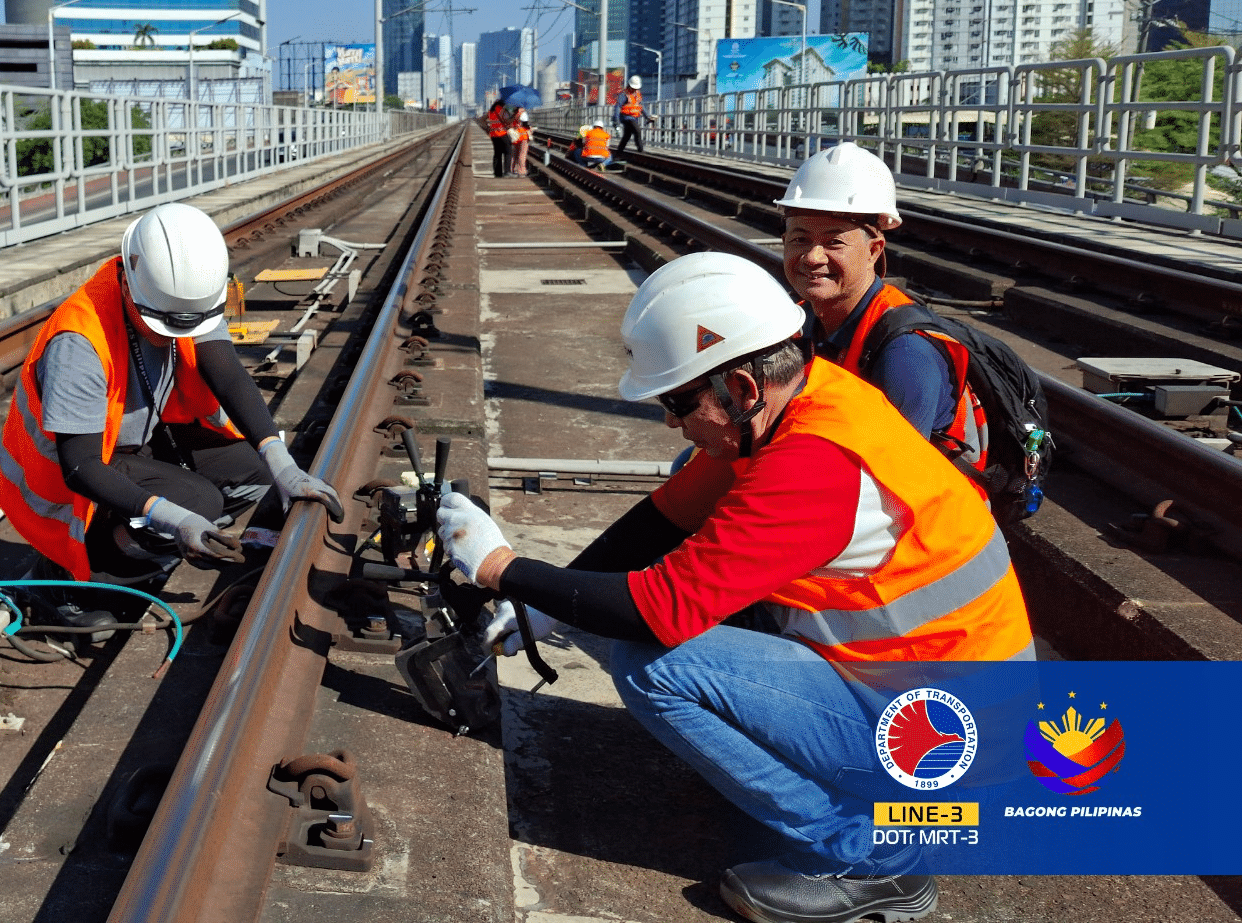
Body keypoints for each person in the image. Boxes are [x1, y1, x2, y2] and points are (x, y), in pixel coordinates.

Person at [438, 252, 1032, 923]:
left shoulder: (813, 467)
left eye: (676, 401)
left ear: (742, 389)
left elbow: (659, 611)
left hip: (950, 743)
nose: (670, 420)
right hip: (914, 692)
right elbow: (658, 523)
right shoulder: (804, 402)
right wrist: (549, 603)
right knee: (609, 613)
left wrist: (502, 570)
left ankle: (869, 860)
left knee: (652, 661)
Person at [0, 203, 345, 595]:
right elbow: (81, 467)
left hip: (135, 440)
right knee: (199, 504)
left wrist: (283, 464)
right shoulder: (78, 343)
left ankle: (139, 542)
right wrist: (176, 520)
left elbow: (226, 375)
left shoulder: (181, 295)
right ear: (128, 285)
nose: (176, 336)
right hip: (71, 475)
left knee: (256, 473)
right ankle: (79, 580)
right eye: (165, 326)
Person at [777, 143, 986, 466]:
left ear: (874, 250)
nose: (812, 257)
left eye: (834, 242)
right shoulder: (803, 319)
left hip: (925, 505)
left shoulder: (905, 353)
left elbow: (895, 477)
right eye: (800, 239)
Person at [614, 75, 651, 157]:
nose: (635, 89)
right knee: (637, 130)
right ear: (629, 85)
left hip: (634, 117)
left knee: (627, 136)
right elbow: (618, 107)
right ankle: (640, 150)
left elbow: (641, 107)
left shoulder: (637, 94)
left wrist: (647, 117)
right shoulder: (624, 94)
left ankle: (619, 152)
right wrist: (616, 119)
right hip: (626, 118)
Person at [485, 97, 513, 178]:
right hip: (501, 133)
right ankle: (507, 172)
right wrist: (515, 116)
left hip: (493, 134)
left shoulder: (491, 111)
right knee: (508, 151)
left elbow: (483, 120)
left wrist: (488, 130)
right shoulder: (500, 109)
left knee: (497, 153)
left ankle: (497, 173)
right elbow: (506, 121)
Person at [507, 104, 533, 176]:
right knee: (522, 154)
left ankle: (512, 169)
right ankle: (522, 171)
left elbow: (510, 124)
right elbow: (525, 124)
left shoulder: (514, 114)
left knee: (515, 154)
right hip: (523, 136)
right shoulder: (523, 113)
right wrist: (529, 128)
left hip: (516, 136)